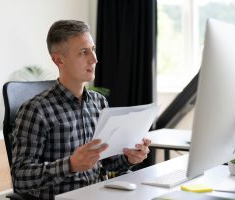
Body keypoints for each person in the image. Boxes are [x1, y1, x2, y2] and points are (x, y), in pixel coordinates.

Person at [11, 20, 151, 200]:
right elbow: (20, 178)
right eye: (83, 52)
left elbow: (106, 162)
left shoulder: (99, 103)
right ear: (58, 59)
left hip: (101, 195)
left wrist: (130, 158)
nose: (94, 59)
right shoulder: (36, 110)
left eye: (92, 49)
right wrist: (70, 165)